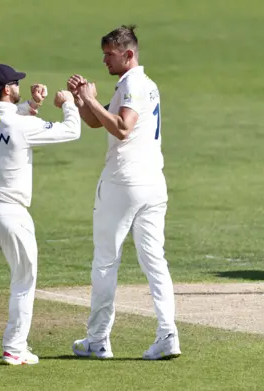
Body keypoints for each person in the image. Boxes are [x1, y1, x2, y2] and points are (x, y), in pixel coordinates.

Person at [67, 25, 181, 360]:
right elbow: (96, 122)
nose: (104, 60)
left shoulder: (132, 84)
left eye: (109, 54)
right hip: (152, 184)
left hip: (123, 183)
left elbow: (121, 127)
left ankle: (98, 339)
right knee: (154, 261)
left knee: (105, 260)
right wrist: (81, 100)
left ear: (128, 54)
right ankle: (167, 335)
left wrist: (89, 99)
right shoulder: (141, 83)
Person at [0, 63, 81, 366]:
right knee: (23, 281)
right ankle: (14, 348)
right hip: (12, 213)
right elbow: (71, 131)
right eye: (15, 83)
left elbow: (3, 121)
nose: (18, 86)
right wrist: (68, 105)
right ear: (5, 89)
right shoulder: (18, 126)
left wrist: (33, 104)